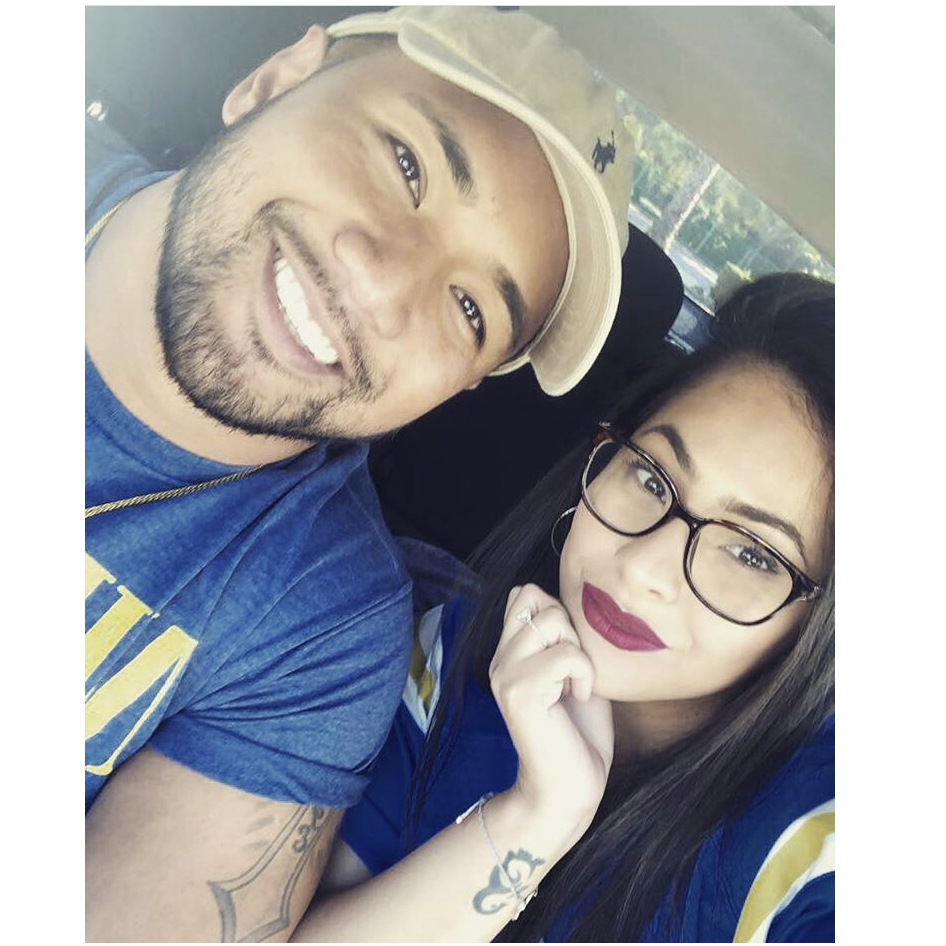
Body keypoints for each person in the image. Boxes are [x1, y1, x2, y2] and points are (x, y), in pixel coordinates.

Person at [85, 7, 636, 941]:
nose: (384, 289)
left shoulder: (322, 630)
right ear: (277, 77)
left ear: (460, 386)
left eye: (470, 308)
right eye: (407, 164)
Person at [288, 273, 835, 942]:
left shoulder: (819, 851)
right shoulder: (455, 652)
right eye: (651, 477)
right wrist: (537, 818)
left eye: (751, 554)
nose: (642, 570)